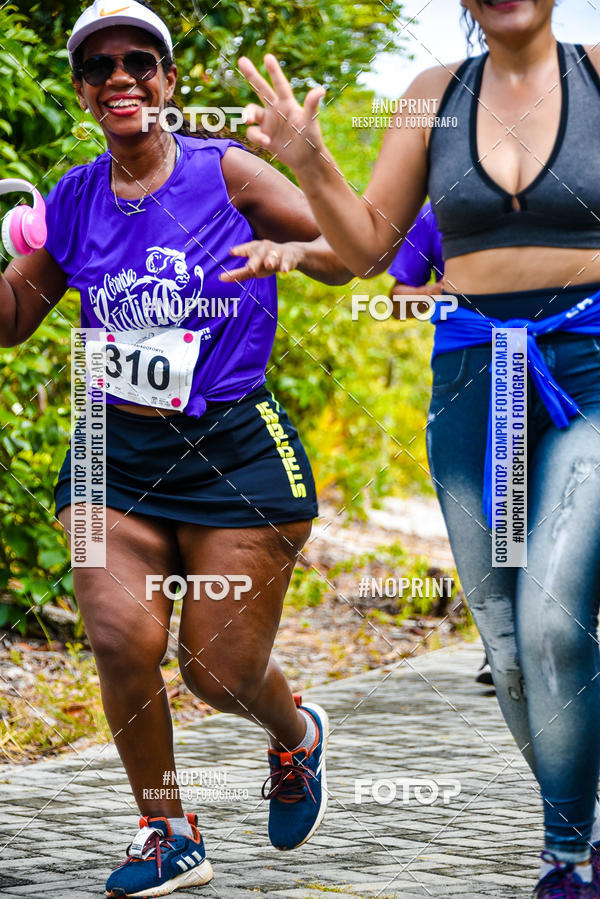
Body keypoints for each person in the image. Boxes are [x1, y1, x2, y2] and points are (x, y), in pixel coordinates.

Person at [235, 0, 600, 895]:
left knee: (557, 616)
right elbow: (368, 248)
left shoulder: (597, 71)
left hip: (590, 362)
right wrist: (309, 157)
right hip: (480, 378)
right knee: (509, 640)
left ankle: (568, 862)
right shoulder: (431, 97)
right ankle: (578, 837)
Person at [0, 1, 354, 895]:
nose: (121, 76)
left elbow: (345, 250)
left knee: (215, 670)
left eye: (139, 61)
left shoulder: (225, 172)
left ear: (167, 81)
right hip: (107, 452)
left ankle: (296, 734)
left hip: (235, 447)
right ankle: (167, 829)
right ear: (83, 90)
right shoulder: (73, 198)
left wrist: (301, 202)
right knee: (120, 636)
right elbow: (11, 322)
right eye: (101, 66)